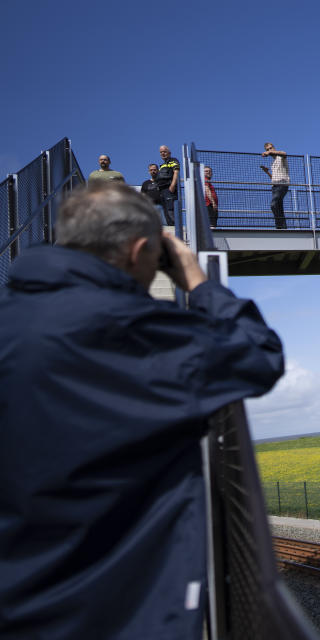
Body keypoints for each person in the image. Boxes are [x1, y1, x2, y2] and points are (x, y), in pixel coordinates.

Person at [0, 182, 284, 640]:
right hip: (115, 614)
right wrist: (196, 281)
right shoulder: (133, 332)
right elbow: (259, 354)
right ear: (139, 251)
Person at [260, 142, 289, 229]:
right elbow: (274, 177)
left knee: (274, 204)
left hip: (282, 183)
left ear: (274, 147)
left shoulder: (280, 157)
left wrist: (269, 153)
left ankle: (280, 226)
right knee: (278, 207)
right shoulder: (273, 163)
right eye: (267, 149)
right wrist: (267, 172)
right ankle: (282, 227)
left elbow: (284, 153)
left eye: (271, 148)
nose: (269, 150)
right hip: (275, 186)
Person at [157, 145, 180, 225]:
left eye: (164, 152)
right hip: (162, 191)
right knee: (166, 211)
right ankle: (170, 226)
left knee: (171, 210)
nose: (163, 153)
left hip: (169, 189)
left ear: (169, 153)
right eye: (161, 152)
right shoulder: (162, 165)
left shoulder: (173, 161)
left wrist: (172, 185)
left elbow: (176, 172)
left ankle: (176, 228)